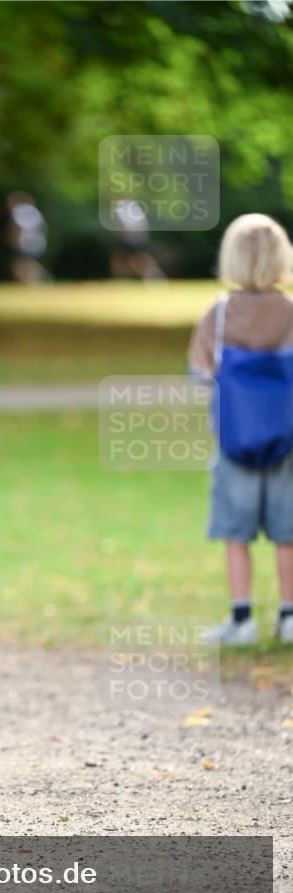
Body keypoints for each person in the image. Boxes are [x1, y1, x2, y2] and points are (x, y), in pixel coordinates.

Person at [188, 213, 293, 646]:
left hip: (235, 440)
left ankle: (242, 618)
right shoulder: (290, 310)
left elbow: (199, 372)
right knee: (288, 533)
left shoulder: (220, 312)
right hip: (288, 441)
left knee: (237, 533)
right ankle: (289, 617)